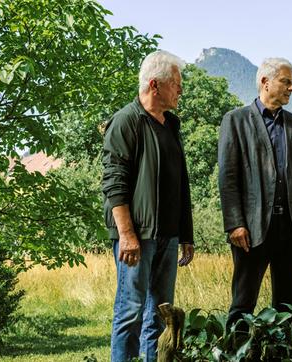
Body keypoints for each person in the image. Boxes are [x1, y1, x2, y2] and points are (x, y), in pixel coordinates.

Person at [101, 50, 194, 362]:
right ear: (155, 85)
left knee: (159, 315)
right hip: (137, 237)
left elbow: (181, 183)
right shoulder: (125, 122)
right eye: (176, 84)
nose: (180, 89)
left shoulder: (171, 125)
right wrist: (126, 234)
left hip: (168, 237)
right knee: (130, 312)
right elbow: (114, 183)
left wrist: (186, 234)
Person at [218, 57, 292, 329]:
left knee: (288, 306)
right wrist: (235, 223)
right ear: (265, 82)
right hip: (250, 230)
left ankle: (285, 356)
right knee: (243, 302)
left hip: (291, 228)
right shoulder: (236, 121)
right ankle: (236, 355)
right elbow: (228, 179)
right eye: (286, 82)